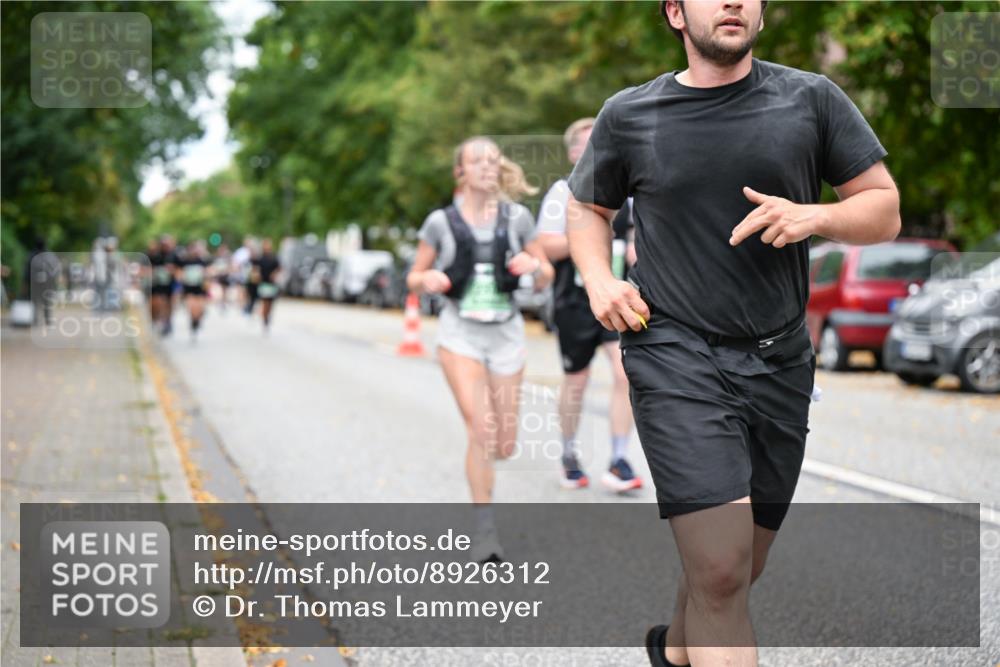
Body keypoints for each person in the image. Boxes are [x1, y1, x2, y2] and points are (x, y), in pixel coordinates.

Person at [564, 1, 901, 665]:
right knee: (719, 566)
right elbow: (587, 205)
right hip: (674, 352)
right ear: (674, 13)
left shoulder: (811, 99)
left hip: (779, 362)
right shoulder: (631, 114)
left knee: (740, 566)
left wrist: (814, 217)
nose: (732, 1)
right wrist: (599, 280)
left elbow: (883, 207)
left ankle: (675, 651)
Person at [406, 136, 554, 563]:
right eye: (478, 161)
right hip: (460, 335)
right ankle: (484, 533)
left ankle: (486, 510)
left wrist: (535, 268)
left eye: (494, 160)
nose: (489, 167)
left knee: (505, 443)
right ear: (461, 172)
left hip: (505, 333)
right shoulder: (440, 222)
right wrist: (427, 280)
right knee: (482, 429)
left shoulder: (518, 218)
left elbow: (545, 271)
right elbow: (414, 277)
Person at [538, 118, 641, 492]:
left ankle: (619, 458)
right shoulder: (561, 192)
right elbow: (547, 245)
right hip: (576, 300)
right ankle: (568, 453)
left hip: (617, 297)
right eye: (586, 142)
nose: (595, 147)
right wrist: (587, 237)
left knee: (624, 374)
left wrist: (634, 248)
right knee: (576, 380)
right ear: (573, 153)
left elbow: (641, 237)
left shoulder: (627, 193)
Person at [178, 239, 210, 341]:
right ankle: (193, 322)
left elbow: (209, 273)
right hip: (189, 288)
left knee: (200, 308)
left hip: (200, 288)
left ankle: (197, 320)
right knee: (192, 308)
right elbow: (179, 273)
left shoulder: (203, 261)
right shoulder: (184, 261)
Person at [252, 238, 281, 332]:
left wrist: (275, 274)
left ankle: (267, 315)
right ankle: (264, 319)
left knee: (271, 303)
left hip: (272, 284)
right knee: (265, 302)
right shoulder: (260, 258)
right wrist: (256, 275)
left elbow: (279, 268)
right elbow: (255, 269)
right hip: (263, 283)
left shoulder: (274, 258)